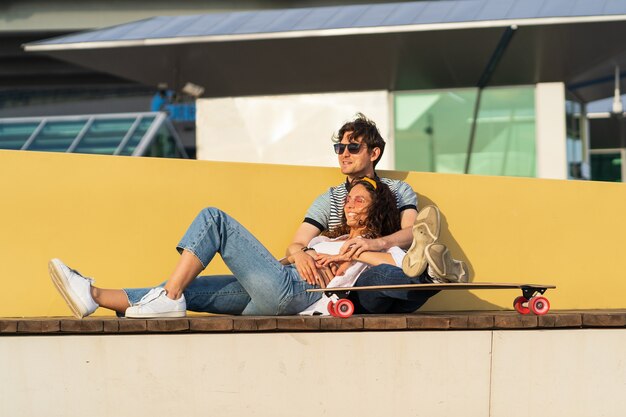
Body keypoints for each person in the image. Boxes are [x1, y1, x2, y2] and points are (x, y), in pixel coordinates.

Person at [49, 177, 408, 318]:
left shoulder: (377, 245)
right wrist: (304, 254)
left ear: (376, 210)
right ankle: (92, 294)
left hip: (303, 294)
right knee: (185, 286)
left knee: (214, 219)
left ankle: (169, 298)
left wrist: (357, 250)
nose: (351, 204)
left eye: (360, 201)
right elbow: (286, 258)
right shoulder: (325, 238)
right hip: (275, 288)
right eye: (349, 199)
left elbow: (400, 266)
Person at [286, 113, 467, 314]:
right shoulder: (329, 198)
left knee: (389, 278)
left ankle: (432, 276)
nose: (344, 154)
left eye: (353, 147)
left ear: (374, 154)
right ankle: (433, 276)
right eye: (340, 148)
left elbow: (412, 233)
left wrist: (376, 244)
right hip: (359, 285)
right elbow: (298, 243)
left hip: (396, 275)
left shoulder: (398, 190)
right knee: (380, 278)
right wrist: (304, 255)